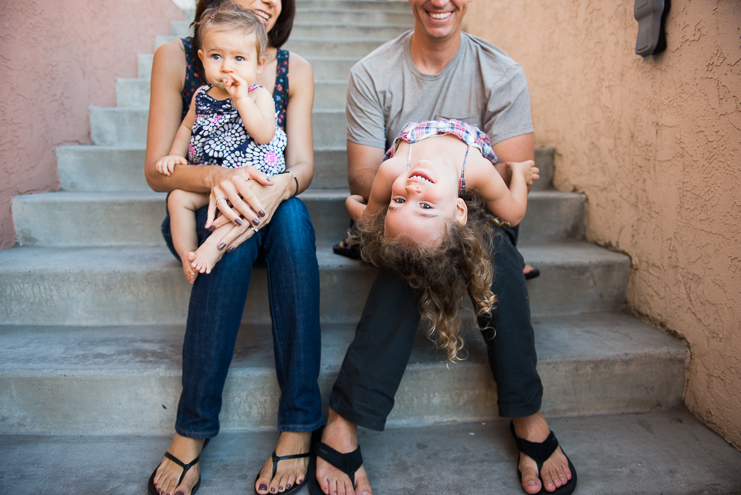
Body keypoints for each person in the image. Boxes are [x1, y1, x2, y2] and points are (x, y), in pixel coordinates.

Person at [310, 1, 576, 495]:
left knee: (492, 251)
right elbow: (366, 178)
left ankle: (526, 411)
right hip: (402, 208)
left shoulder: (501, 72)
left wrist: (450, 200)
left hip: (480, 207)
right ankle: (345, 419)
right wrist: (414, 203)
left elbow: (508, 184)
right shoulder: (372, 72)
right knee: (412, 253)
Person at [144, 0, 322, 494]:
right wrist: (219, 179)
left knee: (290, 213)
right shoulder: (180, 59)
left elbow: (301, 166)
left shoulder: (292, 70)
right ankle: (192, 426)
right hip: (201, 209)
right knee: (234, 237)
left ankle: (298, 422)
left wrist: (273, 189)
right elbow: (158, 167)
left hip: (269, 201)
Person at [156, 6, 288, 283]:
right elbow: (186, 128)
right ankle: (187, 254)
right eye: (216, 56)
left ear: (258, 64)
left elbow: (264, 133)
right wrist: (174, 155)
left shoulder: (257, 96)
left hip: (247, 184)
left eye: (239, 58)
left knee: (239, 207)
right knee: (177, 198)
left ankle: (212, 249)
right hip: (211, 184)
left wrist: (241, 100)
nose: (227, 66)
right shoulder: (201, 96)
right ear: (202, 59)